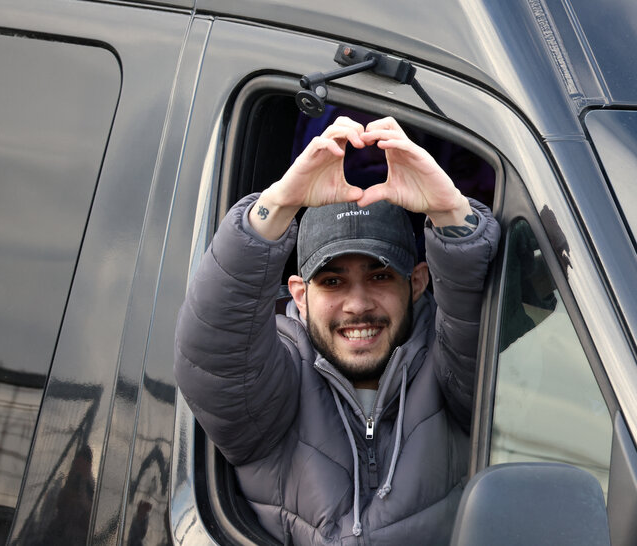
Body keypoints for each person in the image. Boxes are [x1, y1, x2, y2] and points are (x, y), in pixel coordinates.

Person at [174, 116, 500, 545]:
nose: (358, 303)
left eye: (380, 276)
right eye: (331, 281)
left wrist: (450, 211)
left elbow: (483, 329)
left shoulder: (450, 371)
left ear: (417, 283)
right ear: (300, 294)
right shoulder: (278, 380)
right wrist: (280, 203)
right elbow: (213, 352)